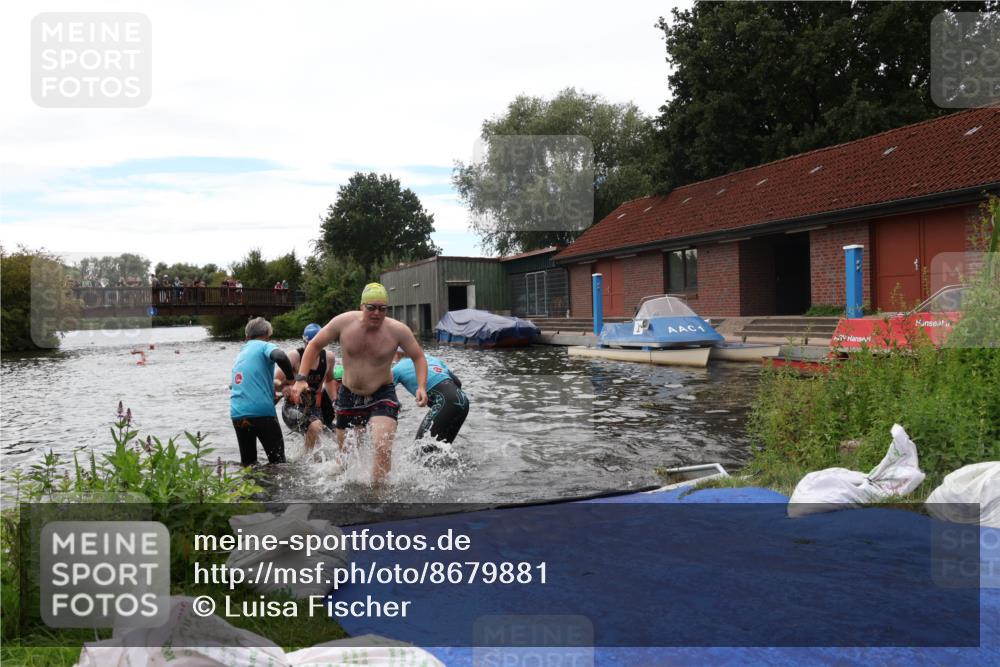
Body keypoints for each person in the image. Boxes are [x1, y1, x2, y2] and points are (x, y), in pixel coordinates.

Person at [289, 283, 427, 486]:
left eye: (382, 308)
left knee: (382, 445)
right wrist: (300, 379)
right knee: (344, 457)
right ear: (362, 306)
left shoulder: (398, 331)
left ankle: (377, 495)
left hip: (382, 393)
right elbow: (314, 345)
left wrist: (421, 386)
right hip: (348, 394)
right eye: (372, 307)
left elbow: (418, 356)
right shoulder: (343, 322)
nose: (377, 313)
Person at [230, 317, 295, 466]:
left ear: (247, 335)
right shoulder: (264, 346)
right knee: (278, 462)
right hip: (261, 413)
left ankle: (249, 488)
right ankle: (275, 489)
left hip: (238, 413)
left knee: (248, 463)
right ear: (267, 334)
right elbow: (281, 356)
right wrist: (291, 380)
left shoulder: (241, 353)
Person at [275, 323, 338, 455]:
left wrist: (334, 401)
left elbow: (330, 380)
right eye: (307, 345)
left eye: (316, 345)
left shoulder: (329, 358)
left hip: (315, 407)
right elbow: (275, 381)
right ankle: (305, 463)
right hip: (293, 407)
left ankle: (312, 461)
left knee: (334, 435)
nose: (311, 348)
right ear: (304, 342)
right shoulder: (294, 356)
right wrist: (286, 387)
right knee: (315, 427)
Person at [393, 349, 469, 445]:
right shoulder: (430, 358)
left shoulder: (397, 369)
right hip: (464, 403)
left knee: (420, 449)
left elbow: (385, 395)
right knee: (442, 450)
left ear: (396, 354)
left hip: (445, 402)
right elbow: (458, 382)